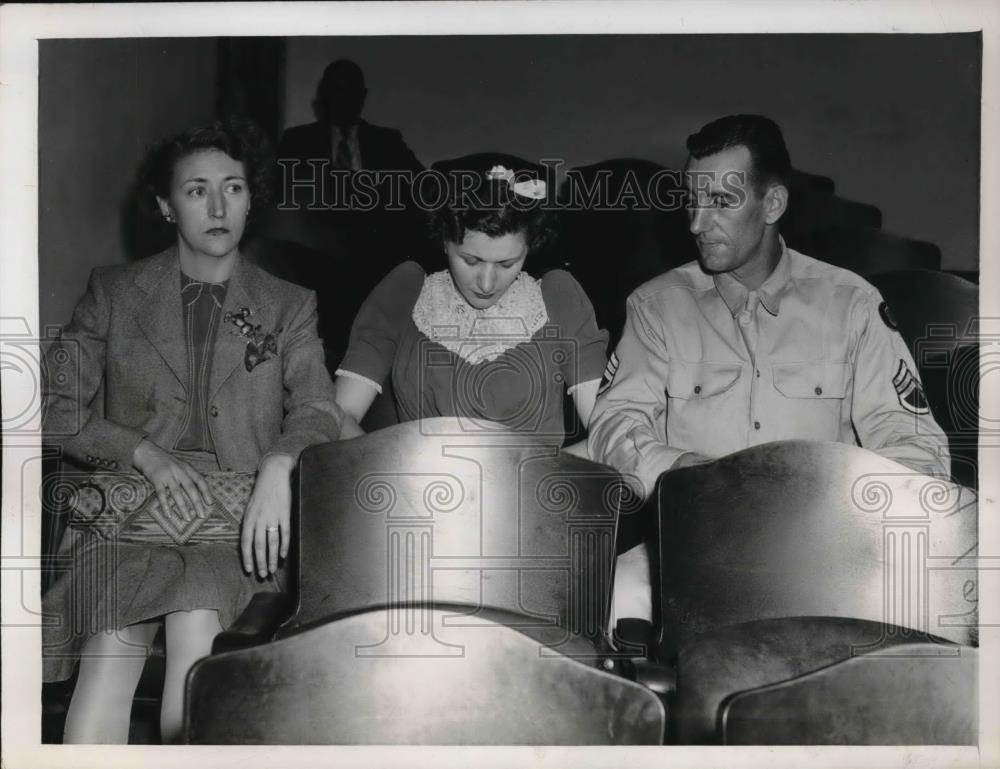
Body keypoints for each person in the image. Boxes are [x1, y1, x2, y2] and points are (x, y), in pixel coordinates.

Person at [41, 118, 344, 743]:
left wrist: (279, 466)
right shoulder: (116, 292)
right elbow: (54, 408)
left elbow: (316, 409)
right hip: (134, 514)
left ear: (251, 200)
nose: (217, 206)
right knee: (110, 654)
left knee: (195, 638)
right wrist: (142, 451)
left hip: (235, 523)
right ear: (165, 206)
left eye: (233, 188)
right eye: (196, 189)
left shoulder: (288, 303)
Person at [588, 114, 950, 619]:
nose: (696, 223)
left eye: (720, 202)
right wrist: (682, 473)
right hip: (694, 545)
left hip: (826, 553)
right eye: (692, 201)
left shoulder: (852, 305)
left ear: (772, 203)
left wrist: (843, 512)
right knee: (609, 606)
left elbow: (917, 446)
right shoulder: (658, 306)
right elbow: (613, 423)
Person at [332, 158, 608, 451]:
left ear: (531, 247)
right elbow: (336, 417)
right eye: (470, 260)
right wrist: (397, 474)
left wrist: (539, 477)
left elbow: (608, 433)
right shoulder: (404, 290)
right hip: (420, 490)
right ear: (444, 241)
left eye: (507, 263)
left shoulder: (559, 295)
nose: (487, 284)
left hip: (536, 489)